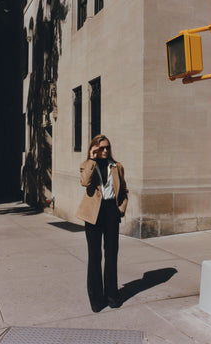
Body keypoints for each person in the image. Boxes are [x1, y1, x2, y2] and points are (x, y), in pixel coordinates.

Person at [76, 134, 128, 313]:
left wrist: (120, 209)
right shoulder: (86, 165)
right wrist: (91, 159)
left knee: (112, 254)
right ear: (94, 149)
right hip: (93, 214)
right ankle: (96, 300)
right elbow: (85, 182)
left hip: (111, 212)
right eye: (101, 148)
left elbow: (124, 190)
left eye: (107, 148)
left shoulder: (117, 166)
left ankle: (112, 296)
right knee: (95, 256)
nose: (105, 151)